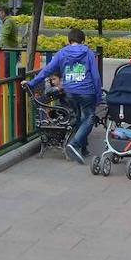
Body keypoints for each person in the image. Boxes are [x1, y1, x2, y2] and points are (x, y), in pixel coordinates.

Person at [26, 28, 101, 164]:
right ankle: (75, 144)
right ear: (82, 41)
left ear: (69, 40)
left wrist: (32, 83)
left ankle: (83, 149)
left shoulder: (62, 53)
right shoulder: (88, 53)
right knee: (89, 118)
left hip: (70, 91)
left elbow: (47, 70)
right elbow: (95, 76)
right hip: (86, 90)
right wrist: (98, 95)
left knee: (78, 118)